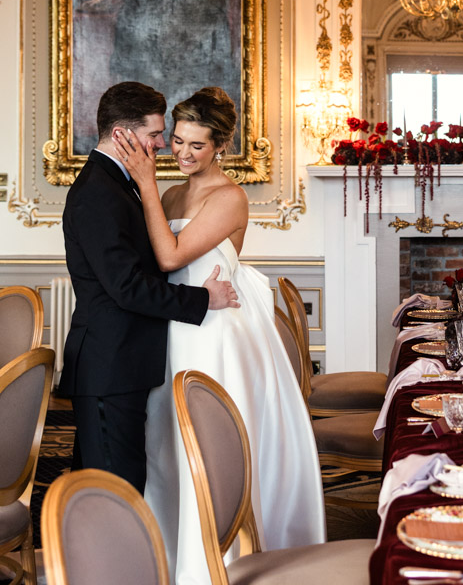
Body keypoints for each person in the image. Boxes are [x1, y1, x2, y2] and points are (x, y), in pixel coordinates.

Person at [114, 87, 326, 583]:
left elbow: (170, 257)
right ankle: (171, 554)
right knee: (165, 440)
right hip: (175, 323)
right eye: (178, 142)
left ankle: (222, 558)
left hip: (214, 330)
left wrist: (144, 181)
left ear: (221, 148)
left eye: (197, 146)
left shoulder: (229, 197)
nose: (183, 154)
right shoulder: (171, 194)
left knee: (209, 443)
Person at [60, 81, 240, 495]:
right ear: (123, 134)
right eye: (157, 135)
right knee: (116, 490)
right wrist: (202, 298)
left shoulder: (118, 184)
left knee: (109, 484)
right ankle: (114, 561)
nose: (162, 145)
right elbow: (126, 287)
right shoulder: (98, 194)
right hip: (110, 364)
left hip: (127, 359)